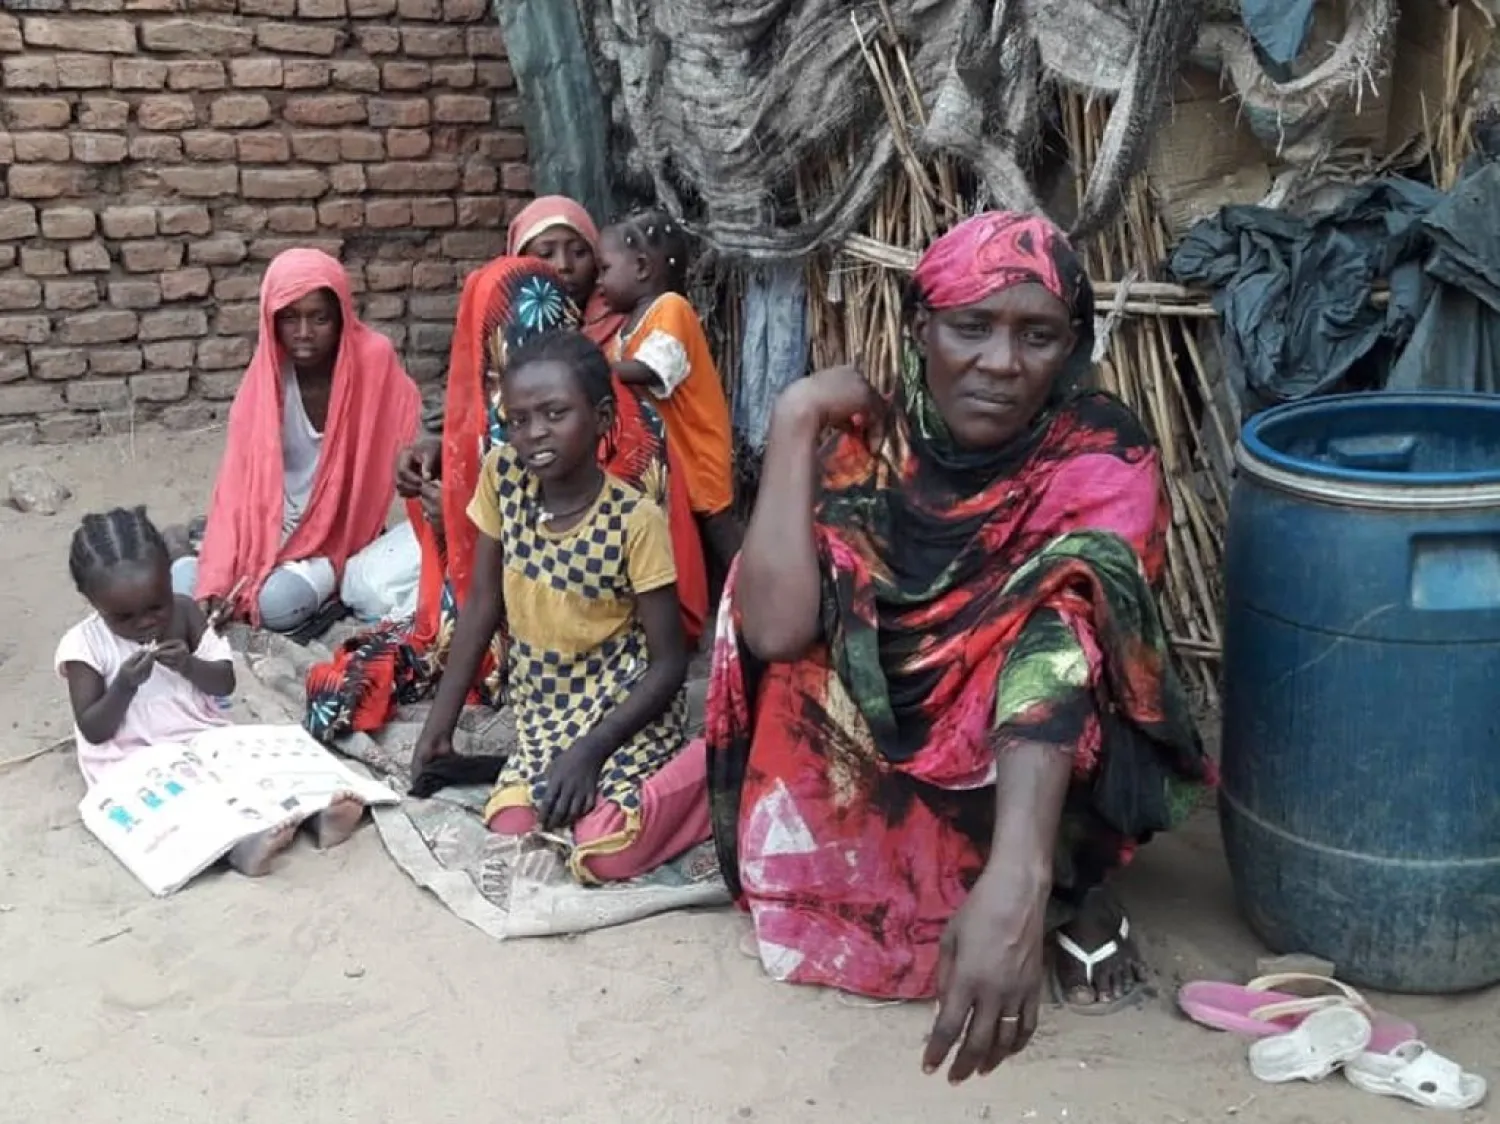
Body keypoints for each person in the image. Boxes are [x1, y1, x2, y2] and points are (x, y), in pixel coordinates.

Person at [707, 212, 1214, 1082]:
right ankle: (886, 884)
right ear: (921, 328)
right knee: (788, 585)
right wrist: (794, 420)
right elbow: (773, 630)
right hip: (880, 767)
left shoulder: (1100, 454)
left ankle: (1046, 885)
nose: (1001, 364)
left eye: (1037, 335)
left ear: (1072, 346)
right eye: (970, 326)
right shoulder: (867, 449)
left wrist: (1016, 884)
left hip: (1026, 768)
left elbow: (1066, 650)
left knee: (1067, 624)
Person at [302, 260, 704, 741]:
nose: (533, 428)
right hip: (508, 601)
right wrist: (441, 495)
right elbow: (485, 564)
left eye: (541, 326)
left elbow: (585, 570)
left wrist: (457, 527)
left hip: (604, 627)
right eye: (510, 333)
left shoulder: (623, 428)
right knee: (359, 637)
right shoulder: (507, 417)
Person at [410, 330, 710, 883]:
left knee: (603, 853)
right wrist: (439, 725)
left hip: (623, 715)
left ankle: (708, 767)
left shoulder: (634, 521)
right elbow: (482, 605)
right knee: (514, 833)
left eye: (554, 413)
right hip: (544, 714)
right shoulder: (505, 479)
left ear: (600, 419)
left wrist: (592, 753)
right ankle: (563, 776)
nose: (534, 434)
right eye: (518, 419)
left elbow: (670, 665)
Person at [56, 507, 365, 876]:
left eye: (157, 606)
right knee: (187, 808)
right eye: (125, 617)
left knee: (251, 776)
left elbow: (223, 682)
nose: (147, 622)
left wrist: (188, 664)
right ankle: (240, 851)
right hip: (131, 757)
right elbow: (93, 729)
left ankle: (319, 819)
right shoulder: (85, 646)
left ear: (169, 580)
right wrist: (123, 686)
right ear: (93, 602)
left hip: (200, 737)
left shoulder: (184, 613)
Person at [173, 248, 421, 634]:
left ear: (342, 317)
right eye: (290, 317)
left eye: (319, 318)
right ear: (271, 319)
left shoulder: (373, 362)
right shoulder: (267, 375)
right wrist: (218, 577)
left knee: (277, 603)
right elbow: (237, 486)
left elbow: (396, 449)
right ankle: (221, 570)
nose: (303, 333)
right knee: (186, 584)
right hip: (267, 519)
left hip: (331, 534)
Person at [597, 209, 742, 586]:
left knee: (719, 531)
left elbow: (652, 369)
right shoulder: (625, 329)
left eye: (605, 269)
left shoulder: (672, 309)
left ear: (642, 267)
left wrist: (586, 369)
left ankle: (756, 601)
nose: (599, 283)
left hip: (697, 451)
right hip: (671, 458)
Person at [506, 195, 627, 347]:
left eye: (578, 252)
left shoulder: (626, 328)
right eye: (546, 254)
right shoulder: (501, 333)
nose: (564, 265)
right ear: (520, 262)